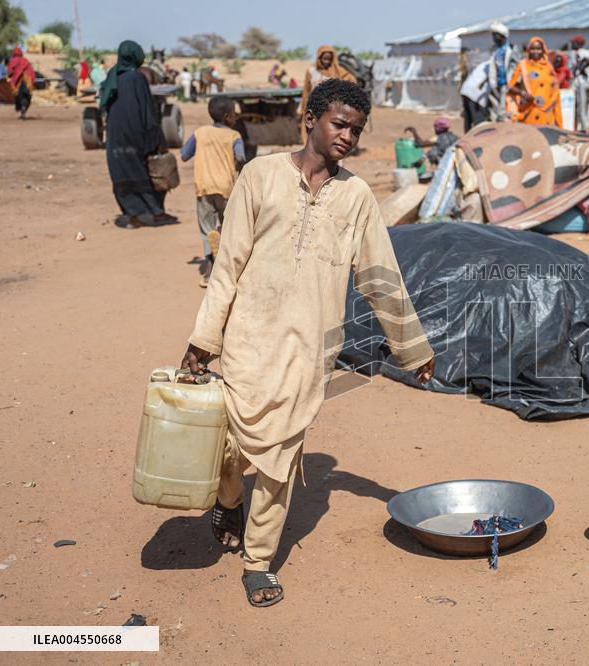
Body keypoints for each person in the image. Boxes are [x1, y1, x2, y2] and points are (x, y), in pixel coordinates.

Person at [181, 78, 435, 608]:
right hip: (248, 339)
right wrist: (203, 340)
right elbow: (226, 267)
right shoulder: (259, 176)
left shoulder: (357, 196)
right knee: (227, 447)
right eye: (339, 123)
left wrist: (414, 349)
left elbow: (380, 276)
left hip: (308, 352)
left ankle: (258, 560)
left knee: (278, 459)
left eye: (356, 130)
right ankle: (228, 500)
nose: (347, 136)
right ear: (311, 119)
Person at [100, 40, 173, 228]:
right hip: (135, 134)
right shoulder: (137, 78)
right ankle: (157, 213)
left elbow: (106, 104)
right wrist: (156, 137)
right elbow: (147, 110)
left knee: (122, 175)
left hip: (115, 137)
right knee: (150, 171)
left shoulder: (112, 76)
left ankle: (132, 217)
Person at [180, 96, 246, 287]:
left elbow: (184, 154)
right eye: (234, 114)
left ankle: (209, 270)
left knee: (206, 229)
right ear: (227, 117)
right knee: (229, 227)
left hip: (204, 187)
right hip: (226, 189)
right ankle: (228, 269)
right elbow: (240, 158)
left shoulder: (200, 133)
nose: (236, 117)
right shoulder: (234, 136)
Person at [300, 46, 356, 143]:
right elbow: (306, 90)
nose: (327, 61)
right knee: (311, 130)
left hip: (331, 108)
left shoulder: (338, 72)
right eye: (324, 58)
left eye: (329, 59)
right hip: (314, 106)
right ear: (319, 58)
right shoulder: (311, 71)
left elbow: (351, 81)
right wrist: (303, 107)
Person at [506, 37, 562, 127]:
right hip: (529, 111)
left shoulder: (548, 67)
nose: (535, 51)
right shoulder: (523, 66)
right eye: (532, 49)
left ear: (543, 50)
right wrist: (522, 93)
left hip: (547, 113)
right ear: (528, 50)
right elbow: (510, 87)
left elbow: (555, 91)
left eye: (538, 49)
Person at [485, 23, 516, 122]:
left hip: (506, 84)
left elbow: (514, 67)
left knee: (504, 109)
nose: (494, 38)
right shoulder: (495, 50)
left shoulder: (511, 50)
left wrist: (510, 83)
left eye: (496, 35)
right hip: (497, 83)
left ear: (502, 36)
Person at [460, 60, 490, 132]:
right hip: (475, 94)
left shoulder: (485, 63)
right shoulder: (493, 65)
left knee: (468, 119)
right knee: (479, 122)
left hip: (466, 90)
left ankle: (467, 138)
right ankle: (478, 140)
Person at [7, 47, 35, 119]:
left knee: (18, 96)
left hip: (18, 81)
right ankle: (23, 108)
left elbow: (10, 72)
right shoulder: (25, 60)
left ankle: (21, 108)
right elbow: (31, 71)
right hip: (27, 80)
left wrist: (11, 76)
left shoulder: (13, 61)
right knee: (27, 96)